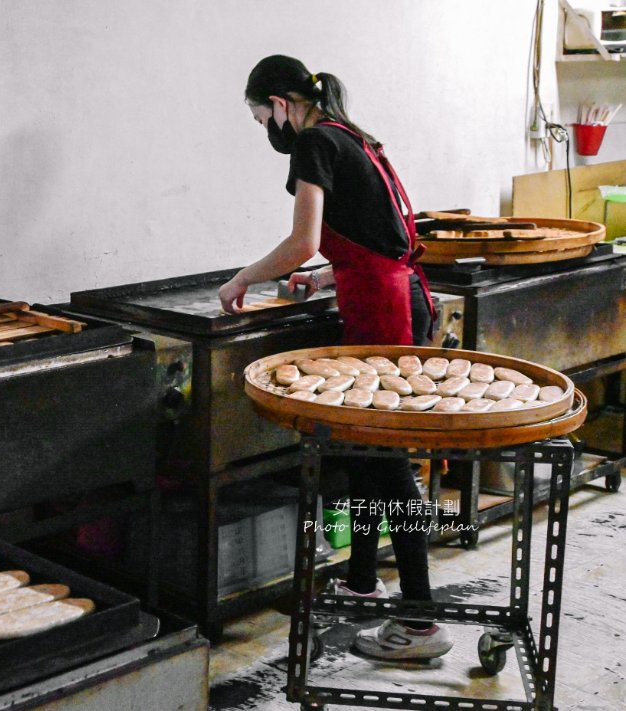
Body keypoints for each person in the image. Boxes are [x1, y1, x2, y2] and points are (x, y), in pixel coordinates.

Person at [219, 54, 452, 660]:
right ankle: (363, 581)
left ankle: (420, 621)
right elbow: (378, 238)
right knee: (360, 451)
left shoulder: (314, 142)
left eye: (258, 115)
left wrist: (241, 279)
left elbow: (304, 240)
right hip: (395, 295)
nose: (264, 128)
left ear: (279, 104)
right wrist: (324, 281)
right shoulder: (353, 135)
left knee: (387, 465)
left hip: (386, 312)